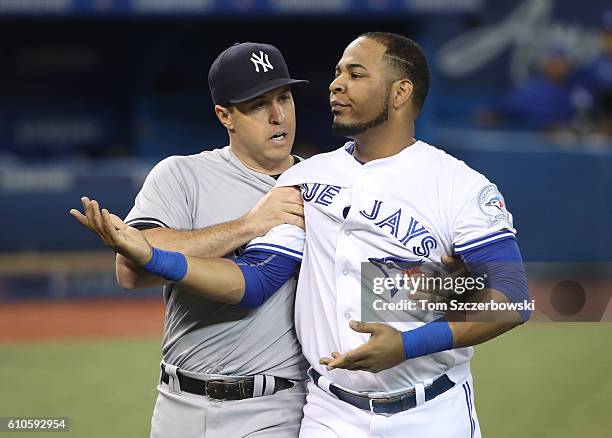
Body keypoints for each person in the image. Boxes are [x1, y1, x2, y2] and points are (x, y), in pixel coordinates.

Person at [74, 32, 530, 437]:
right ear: (224, 115)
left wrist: (411, 337)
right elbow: (254, 283)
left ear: (399, 93)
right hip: (330, 414)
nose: (335, 85)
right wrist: (151, 255)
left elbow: (514, 298)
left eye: (355, 74)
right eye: (336, 74)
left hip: (432, 409)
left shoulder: (460, 185)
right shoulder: (308, 178)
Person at [72, 42, 310, 438]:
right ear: (225, 116)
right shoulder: (182, 175)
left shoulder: (323, 184)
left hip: (280, 406)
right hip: (181, 404)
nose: (277, 115)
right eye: (256, 105)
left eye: (284, 97)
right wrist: (248, 225)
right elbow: (132, 271)